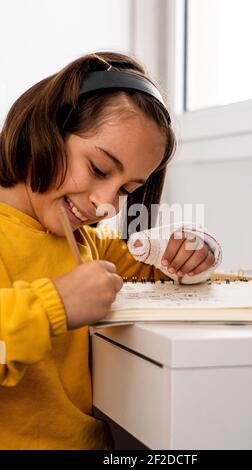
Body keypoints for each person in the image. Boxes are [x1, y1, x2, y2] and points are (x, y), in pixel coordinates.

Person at [0, 51, 221, 449]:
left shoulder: (88, 242)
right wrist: (55, 306)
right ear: (49, 128)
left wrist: (193, 250)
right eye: (100, 169)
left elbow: (160, 266)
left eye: (125, 190)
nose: (107, 202)